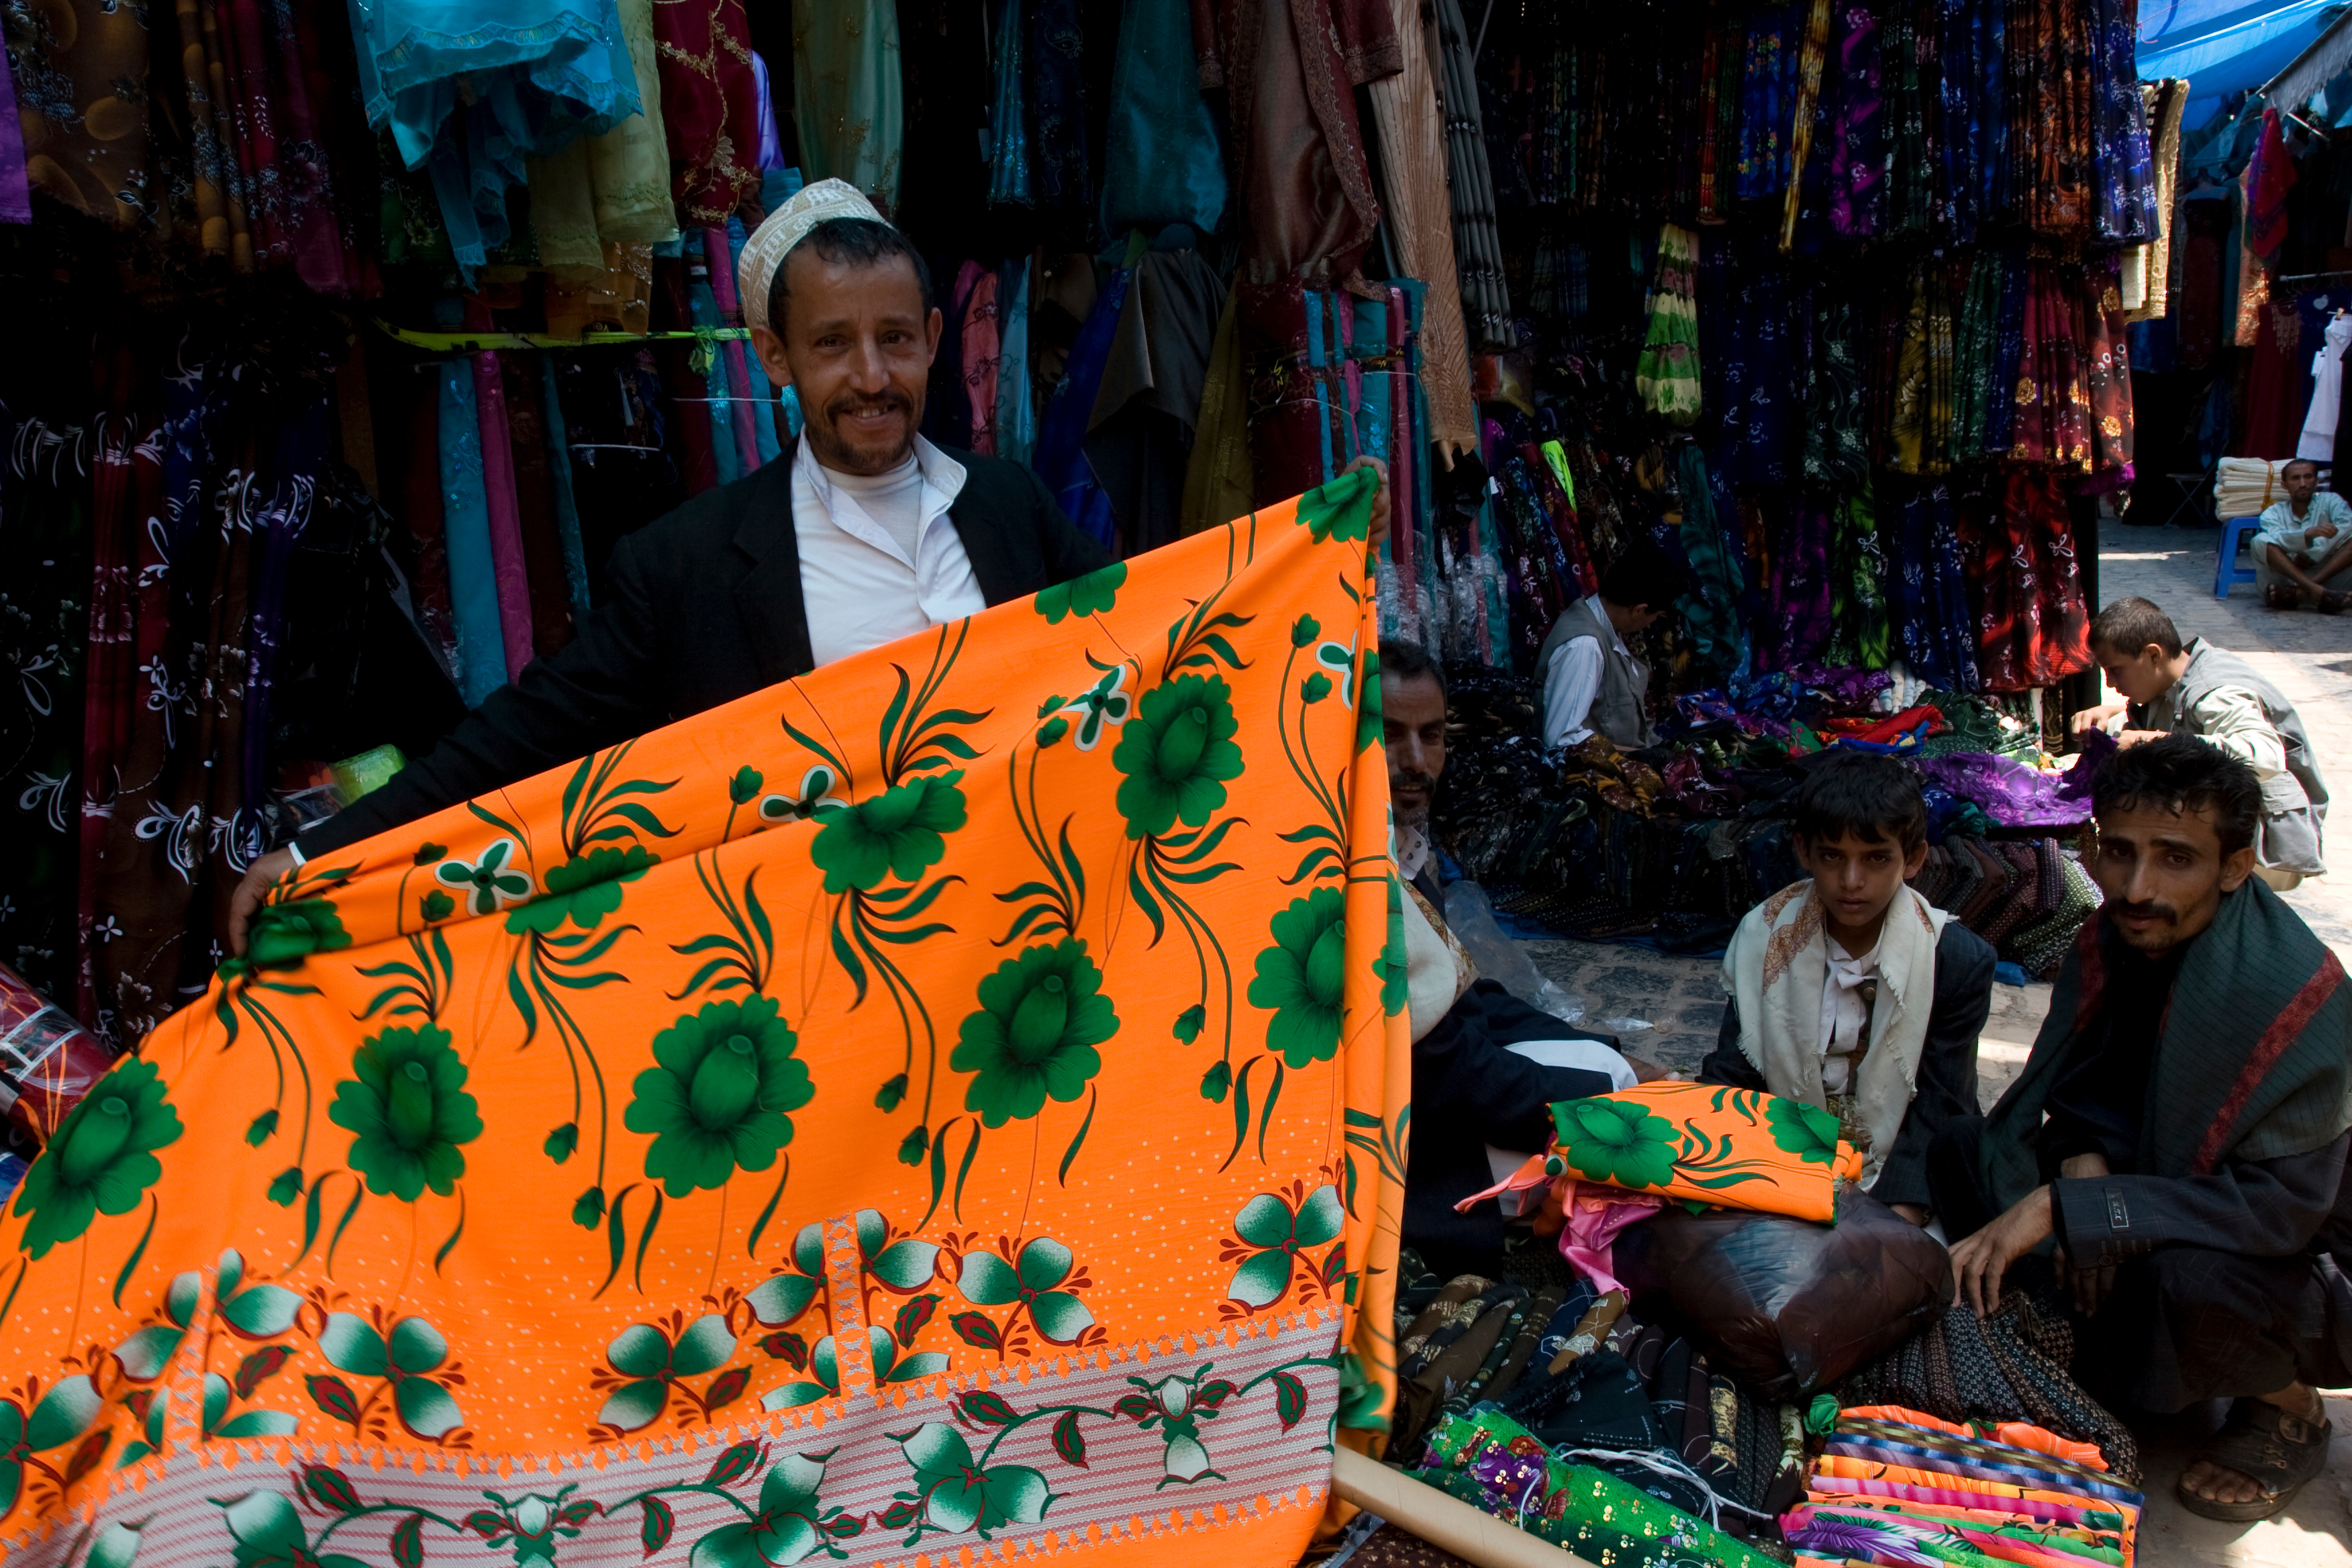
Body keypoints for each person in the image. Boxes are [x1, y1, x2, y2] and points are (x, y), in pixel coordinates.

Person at [231, 179, 1383, 948]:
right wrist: (315, 855)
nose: (870, 375)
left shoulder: (1011, 511)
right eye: (833, 345)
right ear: (776, 356)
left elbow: (1165, 644)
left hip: (1026, 952)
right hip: (814, 987)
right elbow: (523, 737)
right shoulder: (683, 565)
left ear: (935, 338)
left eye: (894, 339)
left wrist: (1317, 592)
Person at [1935, 736, 2352, 1524]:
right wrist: (2082, 1158)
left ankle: (2288, 1405)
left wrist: (2078, 1209)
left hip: (2300, 1265)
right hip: (2164, 1191)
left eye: (2175, 858)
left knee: (2184, 1280)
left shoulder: (2289, 992)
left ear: (2233, 866)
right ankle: (2130, 1359)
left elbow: (2278, 1212)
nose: (2137, 886)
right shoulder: (2115, 939)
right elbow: (2085, 1092)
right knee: (1969, 1151)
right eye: (2120, 852)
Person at [1382, 638, 1652, 1275]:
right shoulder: (1347, 873)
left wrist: (1608, 1053)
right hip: (1400, 1150)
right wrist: (1592, 1102)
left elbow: (1468, 998)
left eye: (1432, 735)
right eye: (1389, 737)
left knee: (1610, 1073)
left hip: (1441, 1089)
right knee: (1627, 1153)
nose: (1416, 762)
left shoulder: (1401, 847)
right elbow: (1441, 1067)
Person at [1699, 751, 1993, 1224]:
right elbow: (1738, 1072)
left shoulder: (1955, 959)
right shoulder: (1764, 938)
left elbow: (1943, 1104)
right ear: (1804, 851)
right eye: (1833, 857)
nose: (1851, 882)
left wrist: (1894, 1216)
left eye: (1877, 859)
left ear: (1914, 858)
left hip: (1906, 1171)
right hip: (1786, 1156)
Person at [2069, 596, 2326, 889]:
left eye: (2115, 670)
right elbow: (2172, 718)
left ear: (2154, 655)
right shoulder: (2173, 675)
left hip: (2267, 843)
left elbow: (2268, 755)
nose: (2110, 683)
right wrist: (2111, 718)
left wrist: (2158, 743)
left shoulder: (2215, 693)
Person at [1537, 542, 1687, 750]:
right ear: (1639, 610)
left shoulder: (1604, 622)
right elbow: (1561, 738)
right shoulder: (1584, 646)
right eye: (1656, 616)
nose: (1652, 623)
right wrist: (1637, 755)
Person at [2251, 458, 2352, 611]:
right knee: (2259, 541)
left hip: (2326, 578)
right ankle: (2317, 593)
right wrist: (2306, 535)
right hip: (2285, 581)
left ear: (2316, 481)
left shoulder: (2332, 501)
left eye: (2308, 477)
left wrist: (2312, 555)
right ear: (2284, 485)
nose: (2303, 483)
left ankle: (2304, 592)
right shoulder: (2273, 513)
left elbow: (2348, 525)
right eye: (2296, 478)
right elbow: (2278, 538)